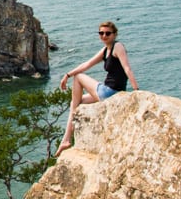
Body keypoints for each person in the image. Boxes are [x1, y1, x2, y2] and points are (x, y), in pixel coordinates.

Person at [55, 21, 139, 157]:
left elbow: (127, 68)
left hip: (109, 93)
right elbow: (87, 64)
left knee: (78, 78)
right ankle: (66, 140)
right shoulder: (106, 50)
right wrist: (67, 74)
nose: (104, 36)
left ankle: (66, 139)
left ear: (114, 34)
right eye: (101, 33)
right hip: (107, 92)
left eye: (107, 33)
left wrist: (136, 90)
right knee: (76, 103)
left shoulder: (118, 46)